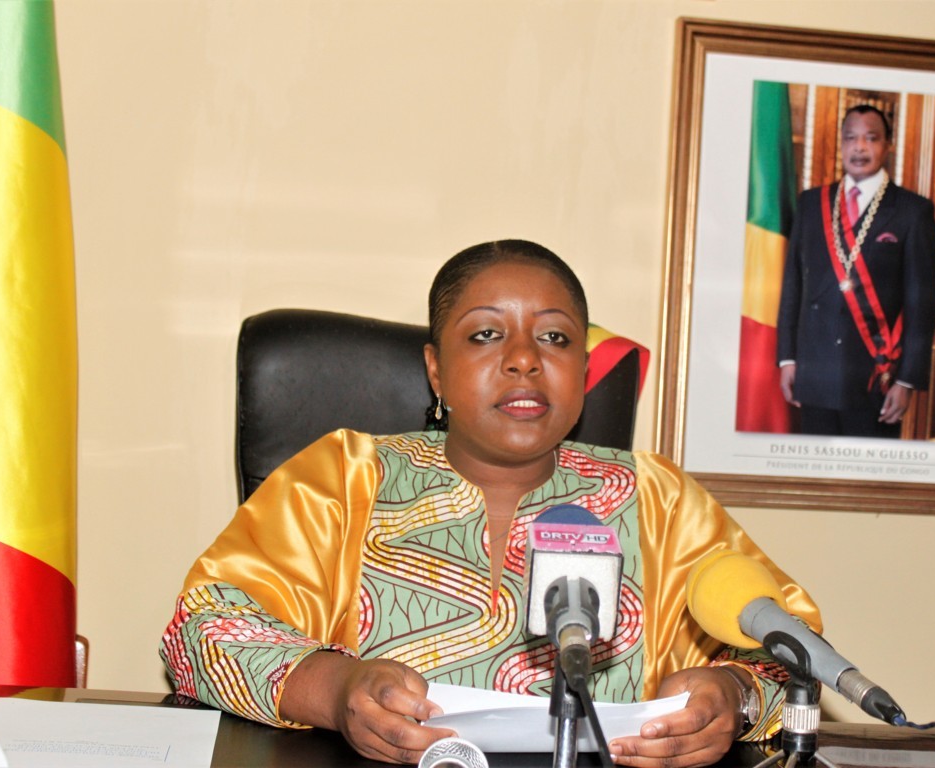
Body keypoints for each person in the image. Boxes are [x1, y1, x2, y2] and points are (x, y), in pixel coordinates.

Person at [161, 240, 821, 767]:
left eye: (555, 338)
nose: (524, 360)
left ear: (583, 371)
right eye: (484, 335)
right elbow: (200, 631)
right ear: (435, 369)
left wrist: (733, 699)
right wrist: (336, 691)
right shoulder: (344, 477)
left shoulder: (658, 498)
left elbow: (790, 649)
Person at [777, 105, 935, 438]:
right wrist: (787, 359)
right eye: (850, 138)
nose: (859, 147)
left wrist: (907, 380)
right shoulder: (811, 204)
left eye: (871, 138)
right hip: (814, 370)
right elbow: (793, 286)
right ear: (841, 144)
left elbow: (921, 304)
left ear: (887, 145)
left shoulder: (912, 211)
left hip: (874, 377)